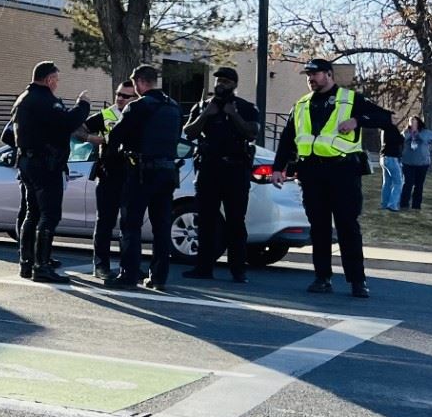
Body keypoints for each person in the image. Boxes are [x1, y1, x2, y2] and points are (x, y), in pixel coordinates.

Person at [273, 58, 395, 298]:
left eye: (315, 74)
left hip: (343, 172)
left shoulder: (350, 99)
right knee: (319, 228)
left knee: (347, 226)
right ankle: (322, 278)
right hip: (311, 174)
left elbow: (384, 118)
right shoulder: (301, 104)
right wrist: (278, 167)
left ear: (329, 74)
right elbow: (287, 138)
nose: (311, 79)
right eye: (308, 75)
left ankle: (357, 281)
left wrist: (357, 120)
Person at [11, 62, 91, 283]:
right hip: (45, 164)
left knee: (33, 213)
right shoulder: (45, 100)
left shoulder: (23, 99)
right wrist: (83, 105)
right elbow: (68, 122)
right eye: (56, 79)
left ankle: (27, 262)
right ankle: (41, 266)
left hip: (27, 162)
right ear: (48, 79)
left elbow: (12, 133)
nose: (57, 83)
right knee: (50, 214)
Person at [106, 64, 184, 291]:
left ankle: (128, 274)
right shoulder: (174, 107)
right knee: (161, 226)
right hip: (167, 172)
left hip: (141, 173)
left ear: (140, 82)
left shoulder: (138, 106)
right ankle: (158, 277)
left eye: (135, 84)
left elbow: (115, 136)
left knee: (131, 225)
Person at [182, 65, 261, 282]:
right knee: (206, 220)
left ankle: (238, 270)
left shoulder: (245, 107)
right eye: (218, 81)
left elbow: (252, 133)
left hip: (235, 170)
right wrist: (205, 115)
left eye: (225, 81)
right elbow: (189, 133)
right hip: (209, 169)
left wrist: (233, 115)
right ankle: (203, 268)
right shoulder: (203, 107)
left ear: (234, 85)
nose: (220, 85)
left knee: (236, 221)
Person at [77, 80, 139, 281]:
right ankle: (101, 265)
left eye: (125, 96)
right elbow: (78, 129)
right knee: (105, 221)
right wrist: (91, 139)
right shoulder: (107, 114)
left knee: (130, 223)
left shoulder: (139, 113)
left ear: (135, 98)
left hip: (131, 175)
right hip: (108, 174)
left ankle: (128, 267)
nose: (120, 98)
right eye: (118, 94)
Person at [400, 117, 432, 211]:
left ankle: (416, 206)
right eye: (411, 122)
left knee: (419, 185)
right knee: (407, 184)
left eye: (415, 122)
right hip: (407, 163)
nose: (413, 124)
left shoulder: (426, 133)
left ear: (419, 123)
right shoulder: (405, 133)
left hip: (422, 164)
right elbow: (399, 143)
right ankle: (403, 204)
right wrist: (400, 154)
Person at [379, 114, 406, 211]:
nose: (396, 119)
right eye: (394, 118)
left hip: (383, 157)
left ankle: (384, 204)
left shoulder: (383, 129)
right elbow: (399, 140)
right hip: (391, 158)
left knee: (387, 183)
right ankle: (392, 204)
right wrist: (402, 135)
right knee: (398, 182)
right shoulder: (392, 128)